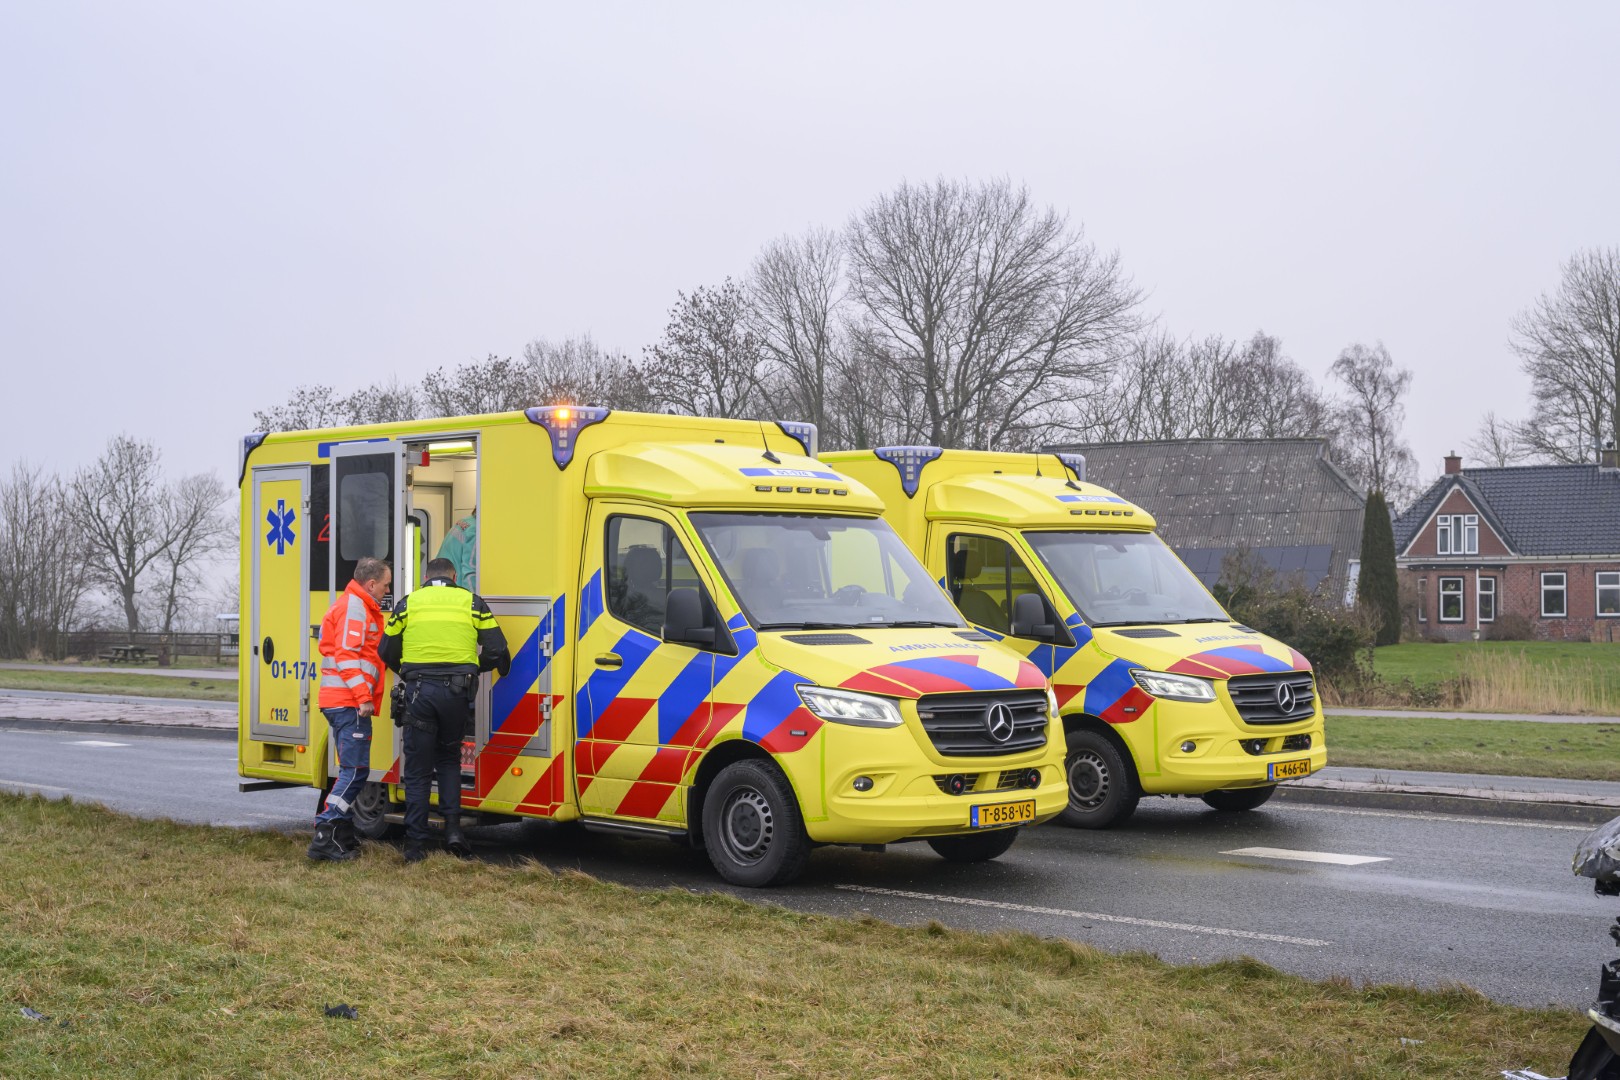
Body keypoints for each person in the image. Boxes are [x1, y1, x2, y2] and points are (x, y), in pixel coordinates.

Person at [378, 556, 509, 862]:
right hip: (456, 693)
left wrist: (407, 672)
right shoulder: (471, 602)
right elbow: (497, 649)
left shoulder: (408, 604)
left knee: (418, 770)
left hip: (419, 693)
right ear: (453, 576)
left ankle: (415, 847)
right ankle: (453, 832)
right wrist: (474, 668)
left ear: (426, 577)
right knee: (449, 760)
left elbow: (386, 650)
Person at [308, 556, 391, 862]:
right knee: (355, 772)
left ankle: (341, 836)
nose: (386, 590)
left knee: (350, 770)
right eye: (385, 585)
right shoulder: (355, 608)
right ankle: (325, 833)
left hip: (340, 701)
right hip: (348, 702)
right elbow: (346, 655)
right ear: (371, 584)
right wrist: (362, 697)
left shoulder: (354, 604)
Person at [435, 510, 477, 594]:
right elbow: (470, 573)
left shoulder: (466, 522)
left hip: (438, 584)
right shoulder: (476, 530)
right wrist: (474, 601)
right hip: (454, 590)